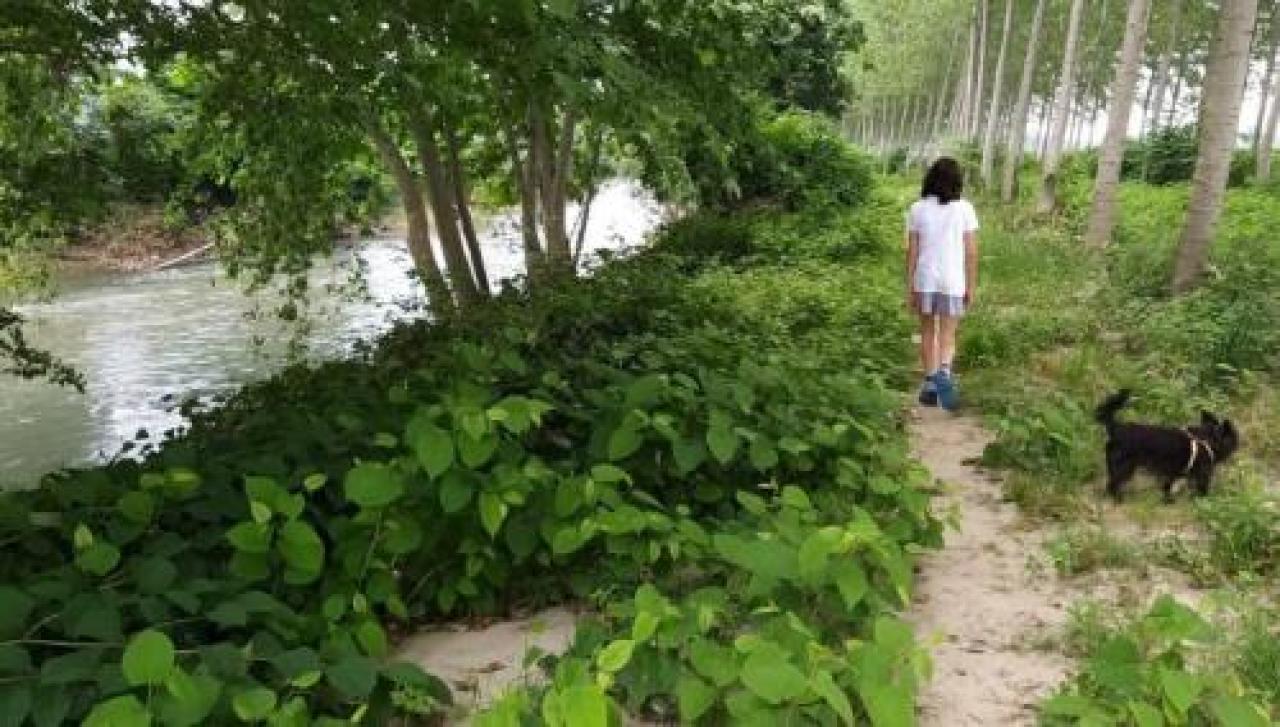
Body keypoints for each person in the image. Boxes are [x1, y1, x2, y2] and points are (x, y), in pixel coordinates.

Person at [905, 157, 978, 410]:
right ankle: (944, 373)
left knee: (927, 332)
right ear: (957, 181)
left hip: (925, 278)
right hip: (952, 280)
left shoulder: (917, 209)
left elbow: (912, 252)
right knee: (948, 333)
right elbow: (971, 252)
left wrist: (909, 287)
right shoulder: (965, 209)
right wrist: (971, 285)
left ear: (930, 179)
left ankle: (930, 382)